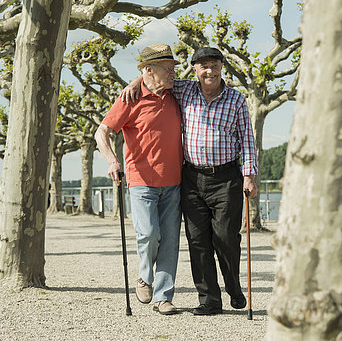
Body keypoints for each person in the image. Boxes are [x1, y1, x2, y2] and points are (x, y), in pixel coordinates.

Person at [123, 47, 258, 316]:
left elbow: (248, 140)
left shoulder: (236, 99)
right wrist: (137, 79)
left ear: (222, 67)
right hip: (192, 178)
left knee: (226, 237)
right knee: (197, 241)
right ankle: (209, 299)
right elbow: (154, 77)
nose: (210, 70)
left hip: (226, 178)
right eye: (204, 66)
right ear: (195, 70)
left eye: (215, 65)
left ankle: (232, 285)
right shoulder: (183, 90)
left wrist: (249, 175)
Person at [95, 44, 183, 316]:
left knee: (170, 240)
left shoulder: (176, 92)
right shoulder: (129, 99)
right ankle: (145, 277)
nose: (173, 73)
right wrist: (112, 160)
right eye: (167, 69)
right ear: (149, 70)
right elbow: (102, 133)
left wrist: (138, 78)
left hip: (174, 181)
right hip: (141, 181)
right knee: (148, 234)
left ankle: (163, 297)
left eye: (173, 68)